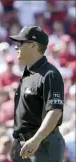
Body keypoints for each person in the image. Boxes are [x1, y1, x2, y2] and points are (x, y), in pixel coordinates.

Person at [9, 26, 65, 162]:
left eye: (20, 43)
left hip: (43, 144)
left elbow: (55, 112)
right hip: (24, 144)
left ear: (33, 46)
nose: (16, 47)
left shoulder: (49, 74)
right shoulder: (28, 72)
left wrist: (36, 139)